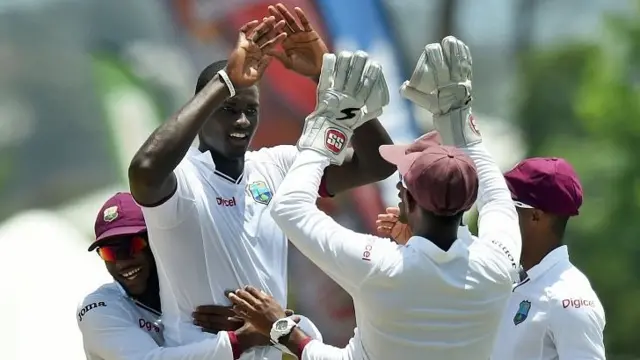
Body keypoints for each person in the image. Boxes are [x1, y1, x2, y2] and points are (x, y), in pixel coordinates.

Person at [225, 36, 521, 360]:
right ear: (467, 201)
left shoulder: (381, 265)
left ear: (408, 200)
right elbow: (496, 200)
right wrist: (459, 119)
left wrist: (329, 123)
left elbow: (288, 208)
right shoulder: (499, 261)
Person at [127, 4, 395, 359]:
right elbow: (144, 169)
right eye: (228, 108)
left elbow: (378, 163)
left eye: (250, 110)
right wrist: (228, 81)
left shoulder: (277, 165)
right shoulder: (182, 178)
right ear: (203, 107)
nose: (241, 121)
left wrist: (328, 78)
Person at [77, 192, 239, 359]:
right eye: (109, 252)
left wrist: (248, 323)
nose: (122, 262)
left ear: (158, 239)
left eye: (132, 245)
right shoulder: (98, 307)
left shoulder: (198, 279)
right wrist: (242, 339)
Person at [489, 158, 606, 359]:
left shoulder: (568, 297)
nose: (501, 216)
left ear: (535, 216)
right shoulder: (512, 278)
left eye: (509, 207)